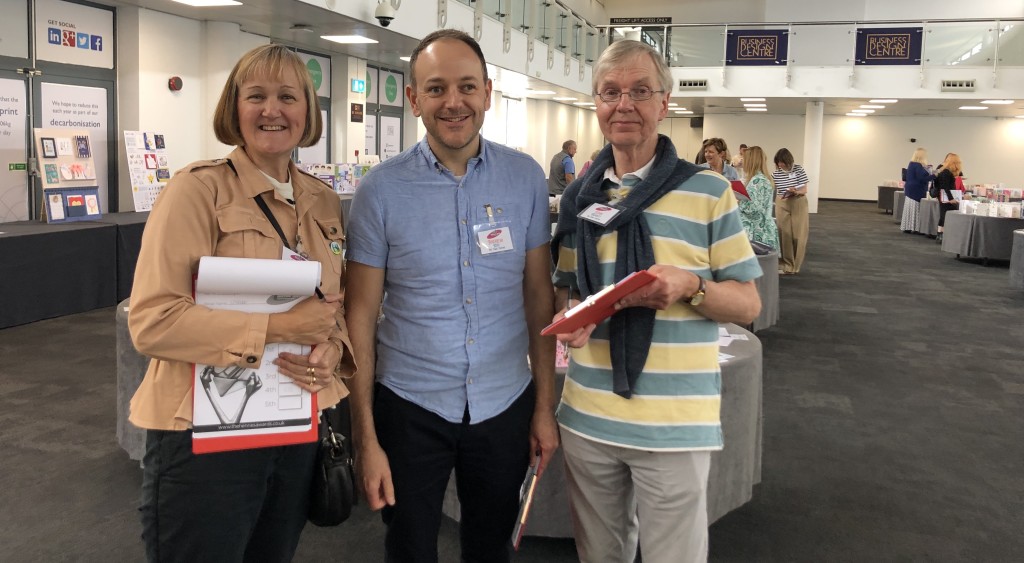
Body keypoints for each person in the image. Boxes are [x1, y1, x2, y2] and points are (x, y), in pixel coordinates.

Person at [127, 44, 355, 562]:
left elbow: (331, 310)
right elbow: (153, 322)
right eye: (256, 96)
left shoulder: (322, 200)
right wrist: (280, 327)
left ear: (308, 112)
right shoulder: (196, 191)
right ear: (234, 108)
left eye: (286, 97)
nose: (272, 110)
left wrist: (329, 350)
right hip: (206, 437)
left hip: (294, 427)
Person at [344, 29, 559, 563]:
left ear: (487, 92)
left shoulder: (525, 178)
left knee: (491, 548)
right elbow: (361, 317)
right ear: (414, 99)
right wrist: (365, 437)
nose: (454, 102)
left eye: (467, 86)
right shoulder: (381, 190)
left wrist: (544, 407)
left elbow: (538, 297)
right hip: (410, 404)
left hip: (503, 402)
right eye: (436, 89)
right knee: (411, 548)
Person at [550, 40, 762, 563]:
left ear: (664, 103)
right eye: (611, 92)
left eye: (640, 91)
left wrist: (691, 287)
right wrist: (568, 319)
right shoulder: (582, 198)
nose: (625, 104)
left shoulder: (709, 191)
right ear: (596, 104)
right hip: (588, 417)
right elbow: (568, 292)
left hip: (673, 424)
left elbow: (748, 305)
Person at [772, 148, 810, 275]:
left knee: (799, 235)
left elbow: (804, 189)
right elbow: (771, 186)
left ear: (788, 160)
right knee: (784, 234)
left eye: (782, 162)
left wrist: (796, 191)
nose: (780, 165)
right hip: (782, 201)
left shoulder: (798, 169)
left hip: (798, 201)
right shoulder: (776, 173)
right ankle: (786, 264)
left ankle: (795, 266)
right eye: (778, 162)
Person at [738, 146, 779, 249]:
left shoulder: (756, 181)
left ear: (751, 161)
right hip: (763, 229)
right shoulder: (762, 178)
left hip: (757, 232)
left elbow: (753, 209)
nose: (741, 161)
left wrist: (738, 203)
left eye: (744, 159)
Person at [901, 147, 934, 234]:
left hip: (910, 189)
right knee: (916, 209)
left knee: (910, 209)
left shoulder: (911, 164)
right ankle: (915, 227)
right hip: (917, 190)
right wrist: (934, 175)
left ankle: (908, 226)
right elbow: (922, 179)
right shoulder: (918, 165)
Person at [934, 152, 964, 242]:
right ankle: (941, 235)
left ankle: (940, 235)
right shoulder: (946, 172)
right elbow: (945, 187)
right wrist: (951, 199)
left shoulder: (944, 170)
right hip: (946, 197)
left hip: (943, 197)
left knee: (943, 215)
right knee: (945, 216)